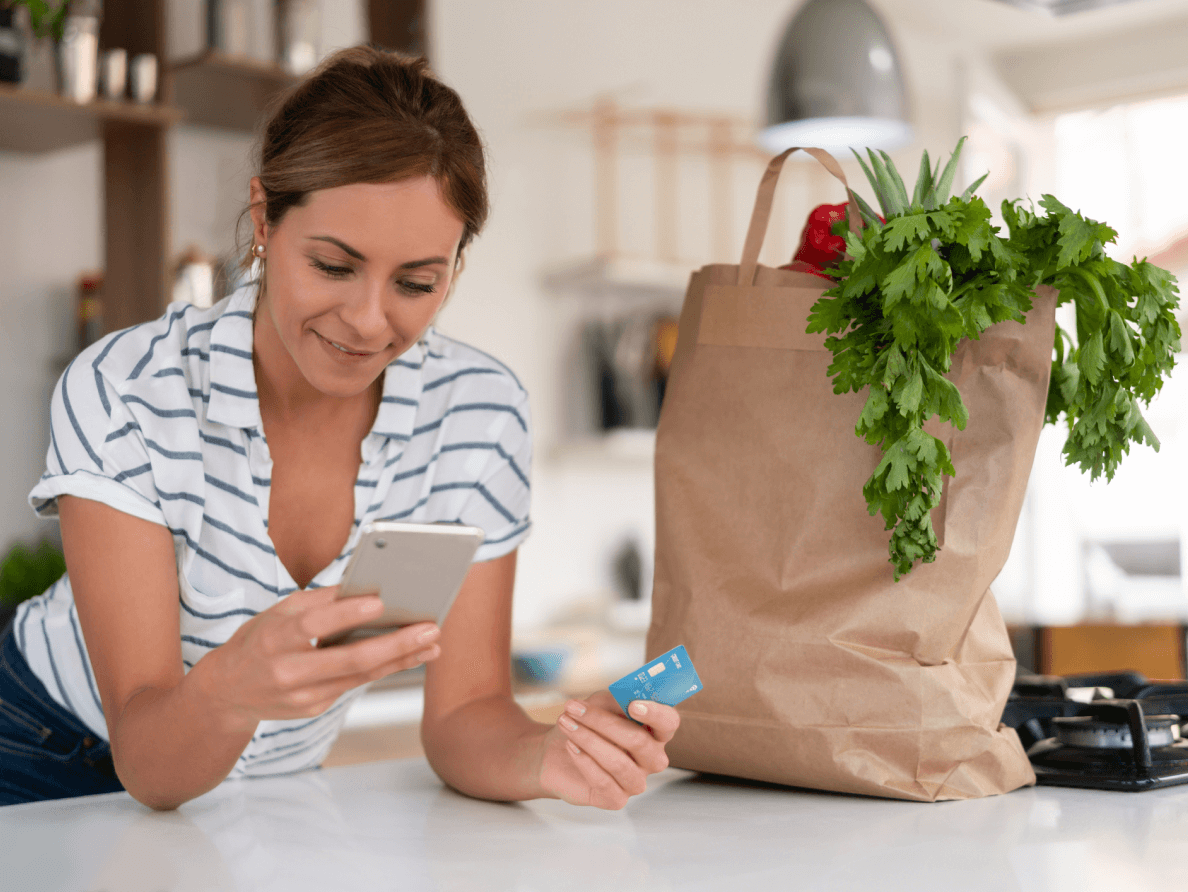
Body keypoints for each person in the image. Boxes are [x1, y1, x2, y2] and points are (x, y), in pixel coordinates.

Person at [0, 46, 678, 809]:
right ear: (264, 220)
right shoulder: (126, 387)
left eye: (417, 282)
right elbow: (149, 760)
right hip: (44, 746)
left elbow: (464, 715)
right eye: (332, 266)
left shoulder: (477, 412)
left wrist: (547, 756)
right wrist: (230, 689)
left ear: (454, 269)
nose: (367, 321)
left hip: (263, 790)